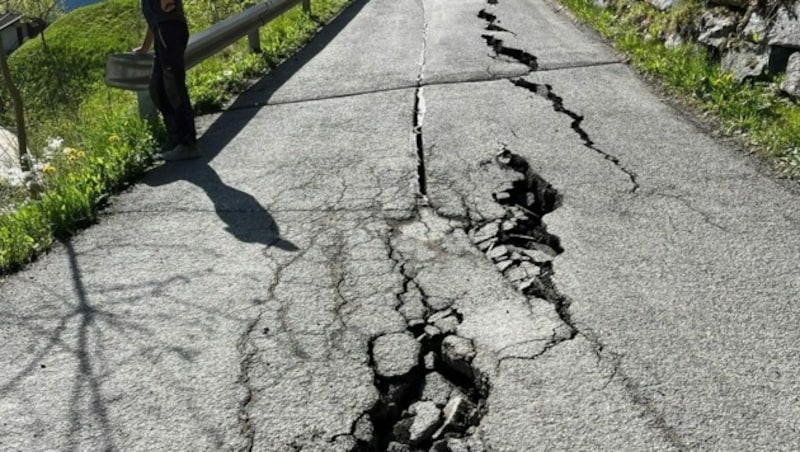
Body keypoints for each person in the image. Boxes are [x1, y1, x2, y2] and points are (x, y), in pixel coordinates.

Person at [133, 0, 199, 161]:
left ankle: (188, 143)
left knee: (173, 87)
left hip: (169, 30)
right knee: (158, 88)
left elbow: (161, 15)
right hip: (163, 31)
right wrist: (145, 47)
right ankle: (176, 139)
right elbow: (154, 20)